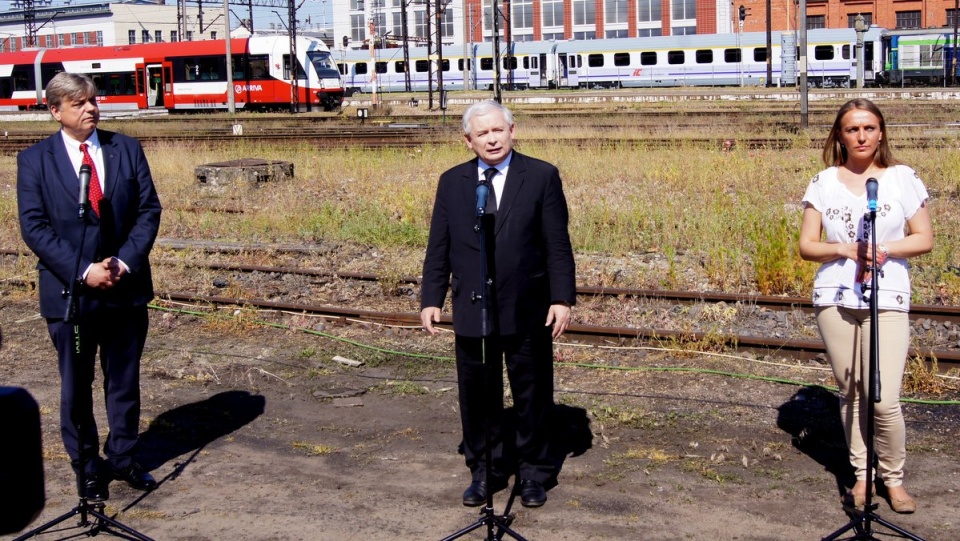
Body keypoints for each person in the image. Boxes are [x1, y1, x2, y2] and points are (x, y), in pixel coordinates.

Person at [420, 100, 576, 508]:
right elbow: (439, 245)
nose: (492, 139)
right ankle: (485, 471)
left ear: (512, 130)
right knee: (478, 396)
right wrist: (431, 298)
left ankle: (533, 473)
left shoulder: (541, 176)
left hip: (528, 306)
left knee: (532, 394)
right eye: (482, 133)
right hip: (474, 308)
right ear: (468, 140)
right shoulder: (452, 182)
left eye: (498, 130)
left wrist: (561, 298)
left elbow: (557, 244)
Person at [17, 72, 162, 502]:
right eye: (79, 103)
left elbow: (148, 212)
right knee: (76, 386)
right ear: (55, 110)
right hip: (70, 294)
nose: (91, 109)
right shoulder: (34, 161)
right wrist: (84, 271)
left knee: (123, 380)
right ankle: (87, 467)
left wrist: (121, 262)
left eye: (93, 101)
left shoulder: (126, 148)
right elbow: (34, 227)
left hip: (123, 287)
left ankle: (123, 456)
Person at [799, 98, 933, 514]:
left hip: (887, 297)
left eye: (869, 128)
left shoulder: (901, 179)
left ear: (881, 133)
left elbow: (924, 238)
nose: (861, 136)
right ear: (839, 135)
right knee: (851, 392)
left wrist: (882, 248)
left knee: (883, 398)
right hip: (834, 299)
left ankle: (892, 477)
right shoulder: (823, 182)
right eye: (853, 129)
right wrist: (846, 249)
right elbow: (806, 245)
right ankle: (861, 475)